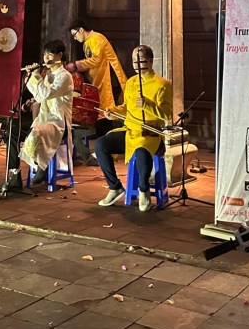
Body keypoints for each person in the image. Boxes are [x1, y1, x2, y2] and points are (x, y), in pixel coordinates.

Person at [94, 44, 173, 212]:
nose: (137, 64)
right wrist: (113, 112)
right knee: (101, 144)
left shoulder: (162, 84)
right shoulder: (131, 82)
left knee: (142, 153)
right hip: (130, 131)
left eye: (141, 60)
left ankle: (143, 189)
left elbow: (167, 114)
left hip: (149, 134)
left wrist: (148, 105)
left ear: (150, 61)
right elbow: (126, 107)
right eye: (134, 61)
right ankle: (115, 187)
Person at [5, 39, 73, 189]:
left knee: (37, 131)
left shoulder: (65, 76)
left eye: (49, 55)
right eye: (44, 55)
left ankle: (41, 165)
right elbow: (38, 94)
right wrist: (31, 76)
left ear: (59, 55)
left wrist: (36, 76)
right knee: (12, 129)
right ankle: (14, 174)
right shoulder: (48, 74)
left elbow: (45, 94)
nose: (46, 58)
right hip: (42, 119)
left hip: (57, 122)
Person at [67, 18, 128, 138]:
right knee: (102, 110)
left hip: (109, 79)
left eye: (75, 34)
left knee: (108, 111)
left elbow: (96, 60)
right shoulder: (87, 42)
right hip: (99, 81)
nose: (75, 38)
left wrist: (76, 65)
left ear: (81, 30)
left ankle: (108, 141)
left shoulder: (97, 38)